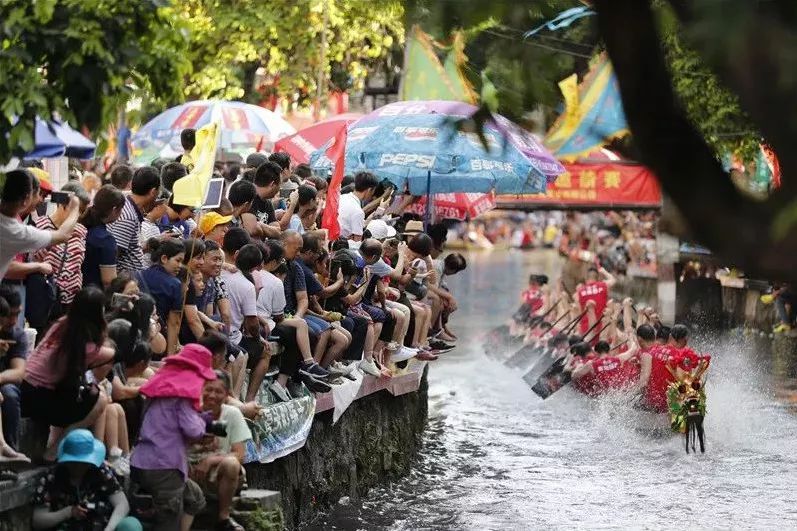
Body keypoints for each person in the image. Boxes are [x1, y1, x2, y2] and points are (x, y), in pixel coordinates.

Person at [22, 287, 114, 461]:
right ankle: (54, 451)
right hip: (39, 397)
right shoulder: (87, 346)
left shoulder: (61, 324)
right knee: (99, 399)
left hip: (27, 388)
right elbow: (110, 353)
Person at [130, 345, 215, 531]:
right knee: (168, 520)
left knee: (195, 499)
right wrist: (204, 425)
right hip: (165, 467)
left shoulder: (161, 390)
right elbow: (193, 430)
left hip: (142, 461)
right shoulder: (182, 396)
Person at [32, 429, 141, 531]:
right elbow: (38, 520)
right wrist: (68, 512)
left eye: (83, 463)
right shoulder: (52, 477)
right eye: (73, 463)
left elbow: (122, 504)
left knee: (131, 525)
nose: (78, 467)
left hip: (101, 524)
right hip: (69, 527)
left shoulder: (100, 471)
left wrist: (109, 528)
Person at [189, 372, 252, 531]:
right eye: (209, 390)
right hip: (189, 468)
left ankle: (223, 518)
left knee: (232, 464)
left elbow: (239, 454)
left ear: (226, 396)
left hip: (217, 471)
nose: (212, 395)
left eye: (218, 392)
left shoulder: (232, 414)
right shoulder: (190, 410)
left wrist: (210, 460)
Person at [0, 168, 80, 279]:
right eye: (39, 194)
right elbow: (63, 235)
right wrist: (75, 208)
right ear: (26, 198)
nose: (40, 200)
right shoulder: (14, 230)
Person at [220, 229, 269, 402]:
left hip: (218, 332)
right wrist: (259, 338)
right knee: (265, 352)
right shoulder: (246, 285)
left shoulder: (216, 270)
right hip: (231, 337)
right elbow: (252, 324)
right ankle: (249, 400)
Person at [33, 182, 91, 310]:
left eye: (81, 211)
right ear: (63, 205)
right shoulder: (40, 226)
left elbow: (78, 267)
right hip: (45, 297)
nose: (79, 215)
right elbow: (33, 260)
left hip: (72, 302)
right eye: (76, 210)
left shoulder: (81, 231)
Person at [108, 166, 161, 274]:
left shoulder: (129, 206)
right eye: (158, 191)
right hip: (123, 284)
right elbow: (112, 258)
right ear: (153, 191)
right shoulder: (128, 217)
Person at [136, 239, 185, 356]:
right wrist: (171, 356)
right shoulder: (175, 284)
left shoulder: (140, 274)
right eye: (177, 260)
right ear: (164, 258)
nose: (180, 266)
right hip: (157, 339)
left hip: (137, 337)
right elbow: (174, 322)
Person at [0, 287, 29, 459]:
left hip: (5, 384)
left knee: (8, 393)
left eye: (17, 314)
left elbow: (19, 373)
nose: (13, 320)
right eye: (9, 315)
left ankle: (10, 448)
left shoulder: (17, 335)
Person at [81, 185, 127, 288]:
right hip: (95, 296)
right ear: (114, 209)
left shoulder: (81, 228)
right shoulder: (105, 240)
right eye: (121, 209)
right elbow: (108, 280)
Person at [338, 171, 379, 244]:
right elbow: (357, 242)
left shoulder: (341, 198)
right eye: (374, 191)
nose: (373, 195)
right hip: (343, 247)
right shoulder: (357, 211)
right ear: (369, 190)